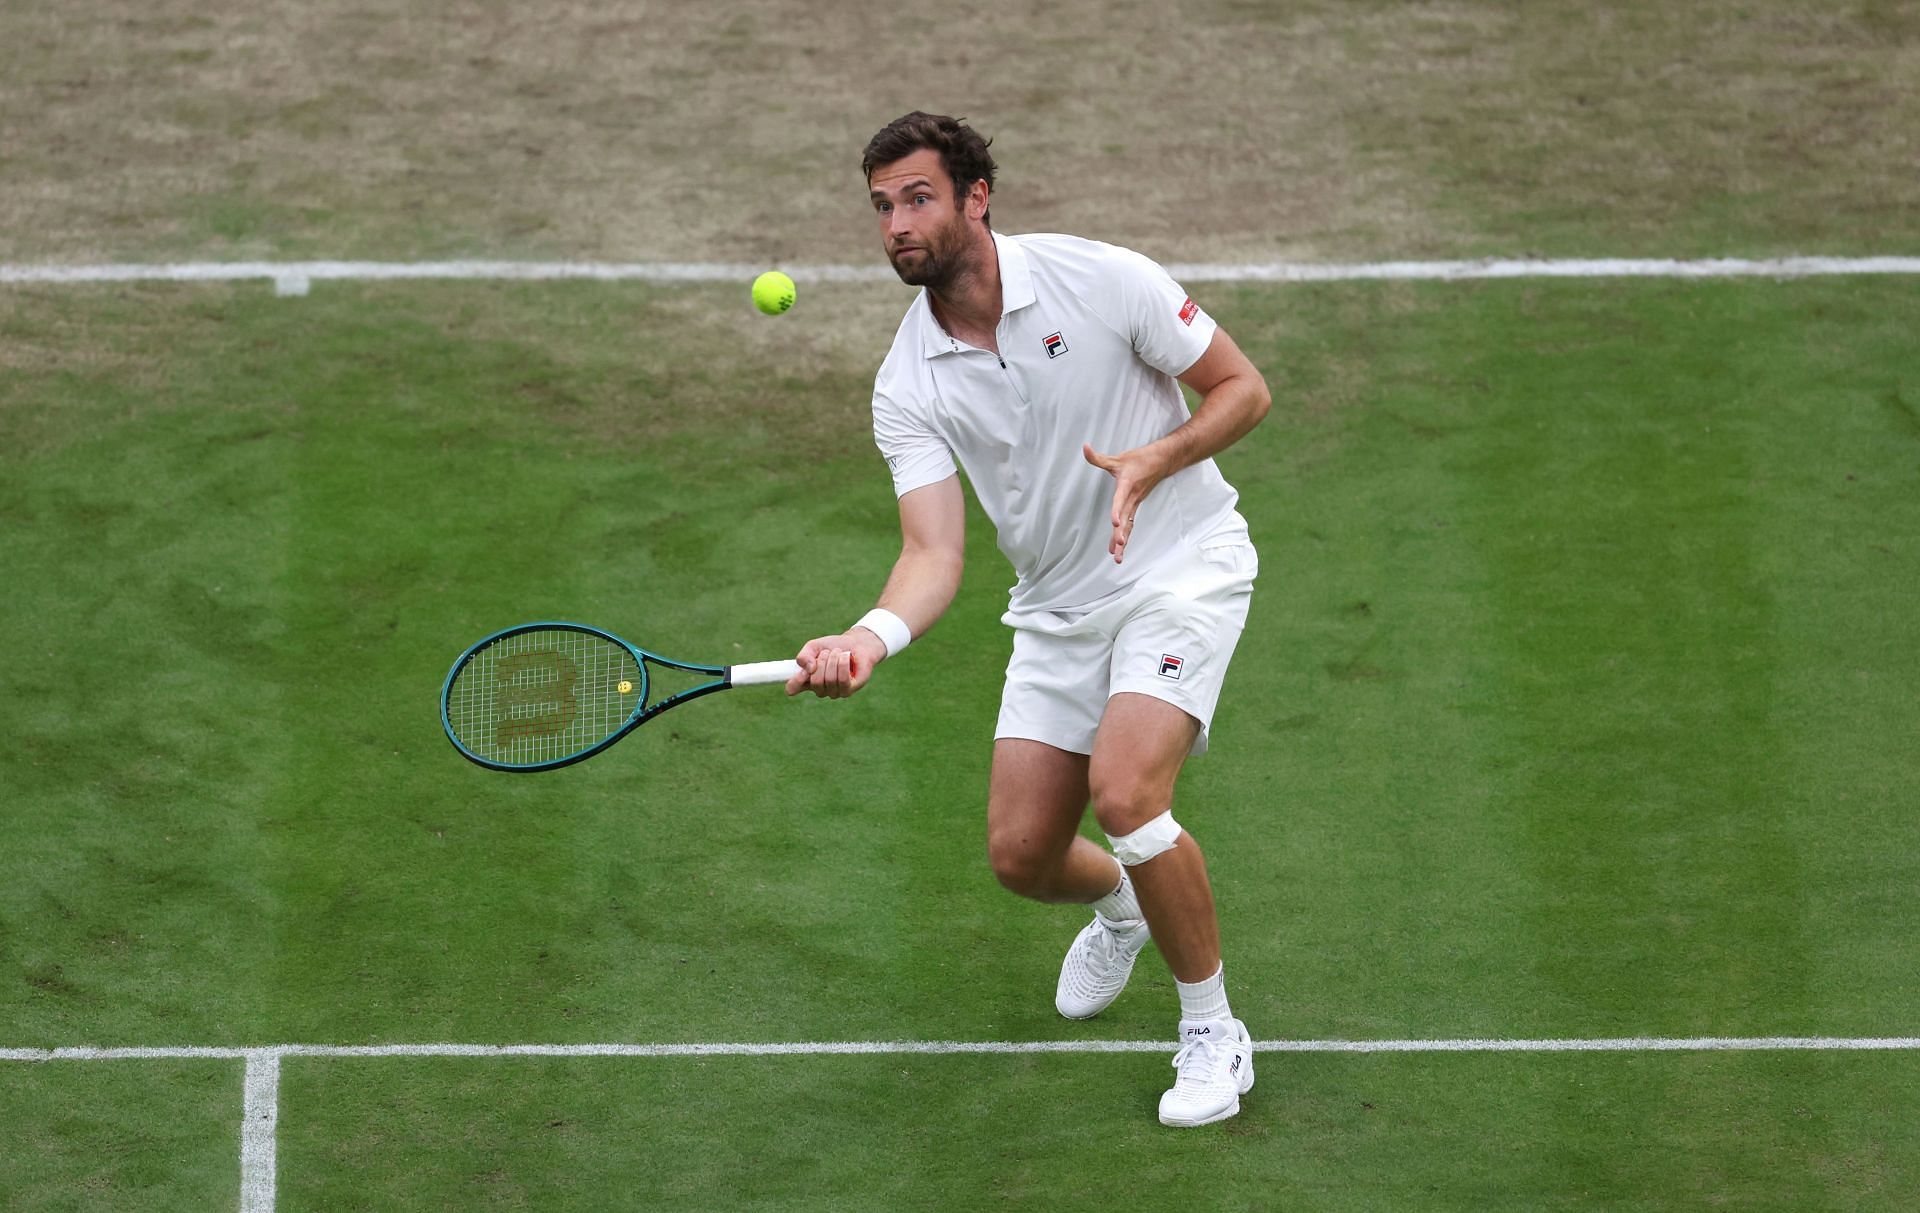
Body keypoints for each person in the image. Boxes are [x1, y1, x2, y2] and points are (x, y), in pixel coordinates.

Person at [786, 111, 1270, 1127]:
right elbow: (933, 552)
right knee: (1020, 853)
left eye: (916, 198)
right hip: (1056, 610)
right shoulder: (906, 382)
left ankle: (1213, 1032)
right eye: (881, 207)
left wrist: (1157, 456)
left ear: (977, 197)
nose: (896, 226)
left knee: (1128, 793)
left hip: (1180, 568)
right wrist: (866, 638)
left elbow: (1240, 387)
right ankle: (1127, 903)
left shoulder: (1103, 279)